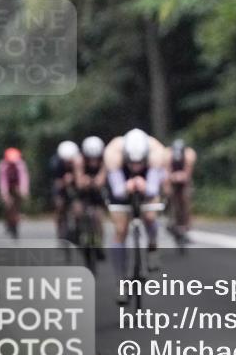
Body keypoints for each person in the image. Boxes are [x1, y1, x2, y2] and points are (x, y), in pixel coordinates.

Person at [103, 128, 167, 303]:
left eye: (140, 162)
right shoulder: (113, 153)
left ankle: (152, 245)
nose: (136, 166)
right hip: (123, 181)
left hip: (148, 180)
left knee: (150, 216)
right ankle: (120, 281)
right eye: (132, 162)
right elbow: (117, 190)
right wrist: (127, 186)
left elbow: (153, 188)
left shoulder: (156, 153)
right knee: (120, 229)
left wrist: (145, 186)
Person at [77, 136, 108, 260]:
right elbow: (79, 182)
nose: (93, 161)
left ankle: (99, 244)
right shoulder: (79, 161)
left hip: (98, 191)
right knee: (78, 211)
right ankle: (81, 236)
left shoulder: (105, 160)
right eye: (90, 158)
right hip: (83, 193)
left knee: (98, 217)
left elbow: (102, 179)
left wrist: (96, 181)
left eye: (96, 158)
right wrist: (85, 181)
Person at [163, 138, 197, 242]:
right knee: (169, 196)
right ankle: (169, 215)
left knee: (185, 198)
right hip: (171, 178)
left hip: (183, 180)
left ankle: (186, 224)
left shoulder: (189, 154)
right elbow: (166, 172)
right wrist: (168, 186)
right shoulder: (167, 155)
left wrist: (183, 177)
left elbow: (188, 172)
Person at [50, 141, 82, 240]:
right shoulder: (55, 163)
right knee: (59, 205)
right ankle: (59, 226)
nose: (69, 163)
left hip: (74, 185)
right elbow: (56, 183)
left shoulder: (79, 161)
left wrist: (74, 178)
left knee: (78, 208)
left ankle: (78, 229)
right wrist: (64, 181)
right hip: (60, 186)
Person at [0, 148, 29, 239]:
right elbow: (2, 181)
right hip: (7, 185)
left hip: (17, 185)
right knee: (8, 205)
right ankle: (8, 221)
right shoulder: (3, 166)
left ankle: (15, 223)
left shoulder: (21, 165)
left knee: (17, 205)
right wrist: (4, 193)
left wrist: (24, 190)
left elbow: (23, 178)